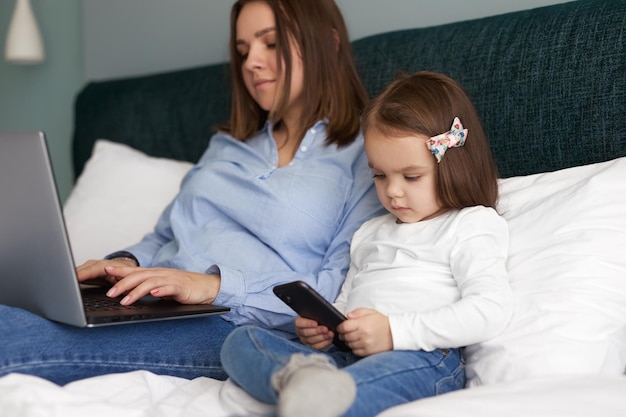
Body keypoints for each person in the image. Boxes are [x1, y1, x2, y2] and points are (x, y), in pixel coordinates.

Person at [0, 0, 383, 385]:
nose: (251, 62)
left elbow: (334, 293)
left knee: (17, 340)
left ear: (329, 44)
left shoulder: (368, 157)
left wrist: (214, 287)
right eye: (243, 50)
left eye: (271, 43)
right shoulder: (227, 144)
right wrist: (126, 264)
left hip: (233, 326)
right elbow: (165, 234)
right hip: (156, 303)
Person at [220, 71, 514, 417]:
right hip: (343, 356)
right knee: (241, 341)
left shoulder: (470, 224)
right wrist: (325, 329)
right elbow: (348, 300)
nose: (392, 191)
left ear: (454, 163)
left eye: (411, 176)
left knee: (350, 391)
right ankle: (304, 380)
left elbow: (490, 310)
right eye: (379, 175)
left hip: (420, 358)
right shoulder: (370, 232)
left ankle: (316, 398)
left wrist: (393, 332)